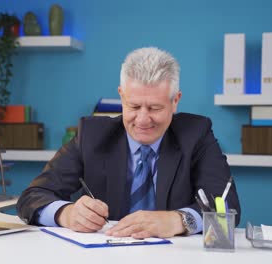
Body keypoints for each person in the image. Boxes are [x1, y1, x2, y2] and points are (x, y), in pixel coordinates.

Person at [17, 47, 241, 238]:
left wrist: (178, 221)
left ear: (175, 101)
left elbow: (228, 207)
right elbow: (31, 197)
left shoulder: (196, 134)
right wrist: (66, 214)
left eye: (155, 108)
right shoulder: (92, 135)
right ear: (122, 96)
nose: (143, 120)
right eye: (134, 107)